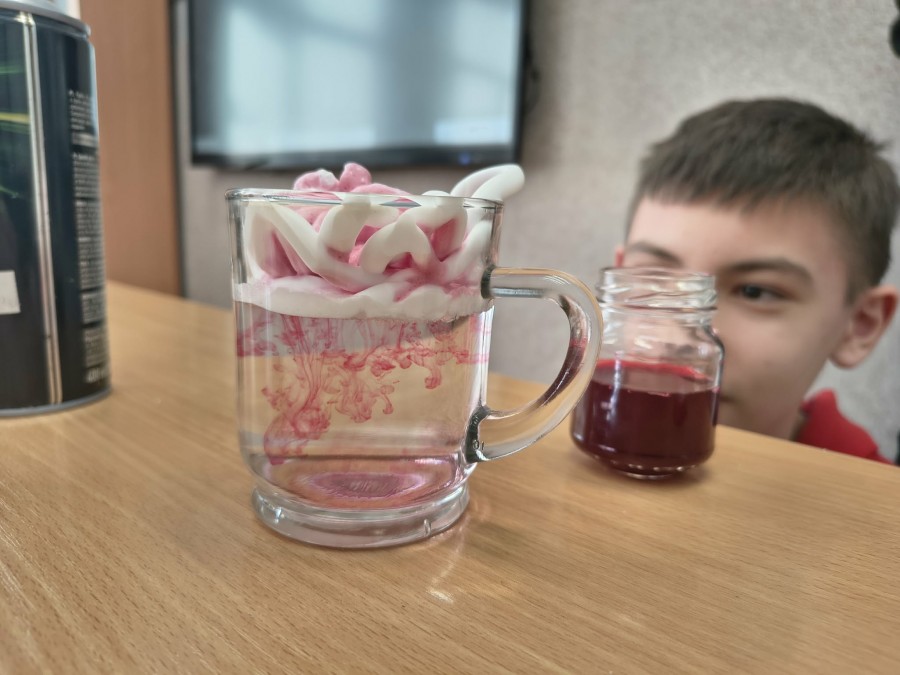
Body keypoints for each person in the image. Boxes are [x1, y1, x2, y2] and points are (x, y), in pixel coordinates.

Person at [616, 98, 899, 464]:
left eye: (755, 292)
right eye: (656, 279)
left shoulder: (872, 497)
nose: (682, 338)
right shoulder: (566, 436)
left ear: (860, 325)